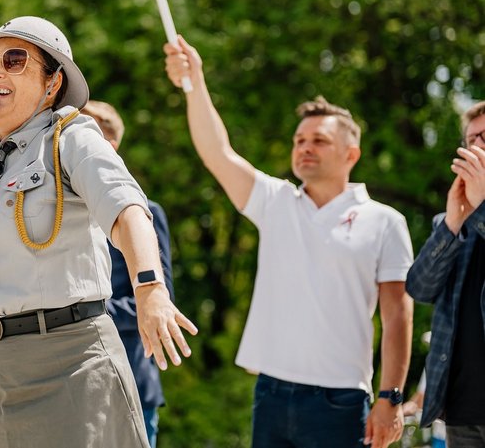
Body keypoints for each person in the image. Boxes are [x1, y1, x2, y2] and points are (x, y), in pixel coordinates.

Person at [0, 16, 196, 448]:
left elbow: (129, 210)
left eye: (15, 59)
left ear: (52, 82)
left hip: (73, 363)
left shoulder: (72, 137)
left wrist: (150, 287)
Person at [165, 36, 414, 448]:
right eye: (300, 140)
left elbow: (398, 317)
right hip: (272, 393)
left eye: (319, 140)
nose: (305, 148)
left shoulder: (385, 221)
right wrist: (196, 81)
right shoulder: (276, 201)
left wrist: (391, 397)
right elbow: (217, 152)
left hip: (342, 400)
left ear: (351, 155)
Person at [0, 99, 175, 448]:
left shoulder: (139, 209)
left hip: (106, 365)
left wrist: (64, 313)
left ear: (109, 145)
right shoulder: (33, 187)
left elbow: (150, 296)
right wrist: (11, 326)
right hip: (20, 366)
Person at [405, 100, 485, 447]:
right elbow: (419, 288)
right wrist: (453, 222)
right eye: (471, 139)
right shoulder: (451, 221)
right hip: (462, 412)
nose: (477, 145)